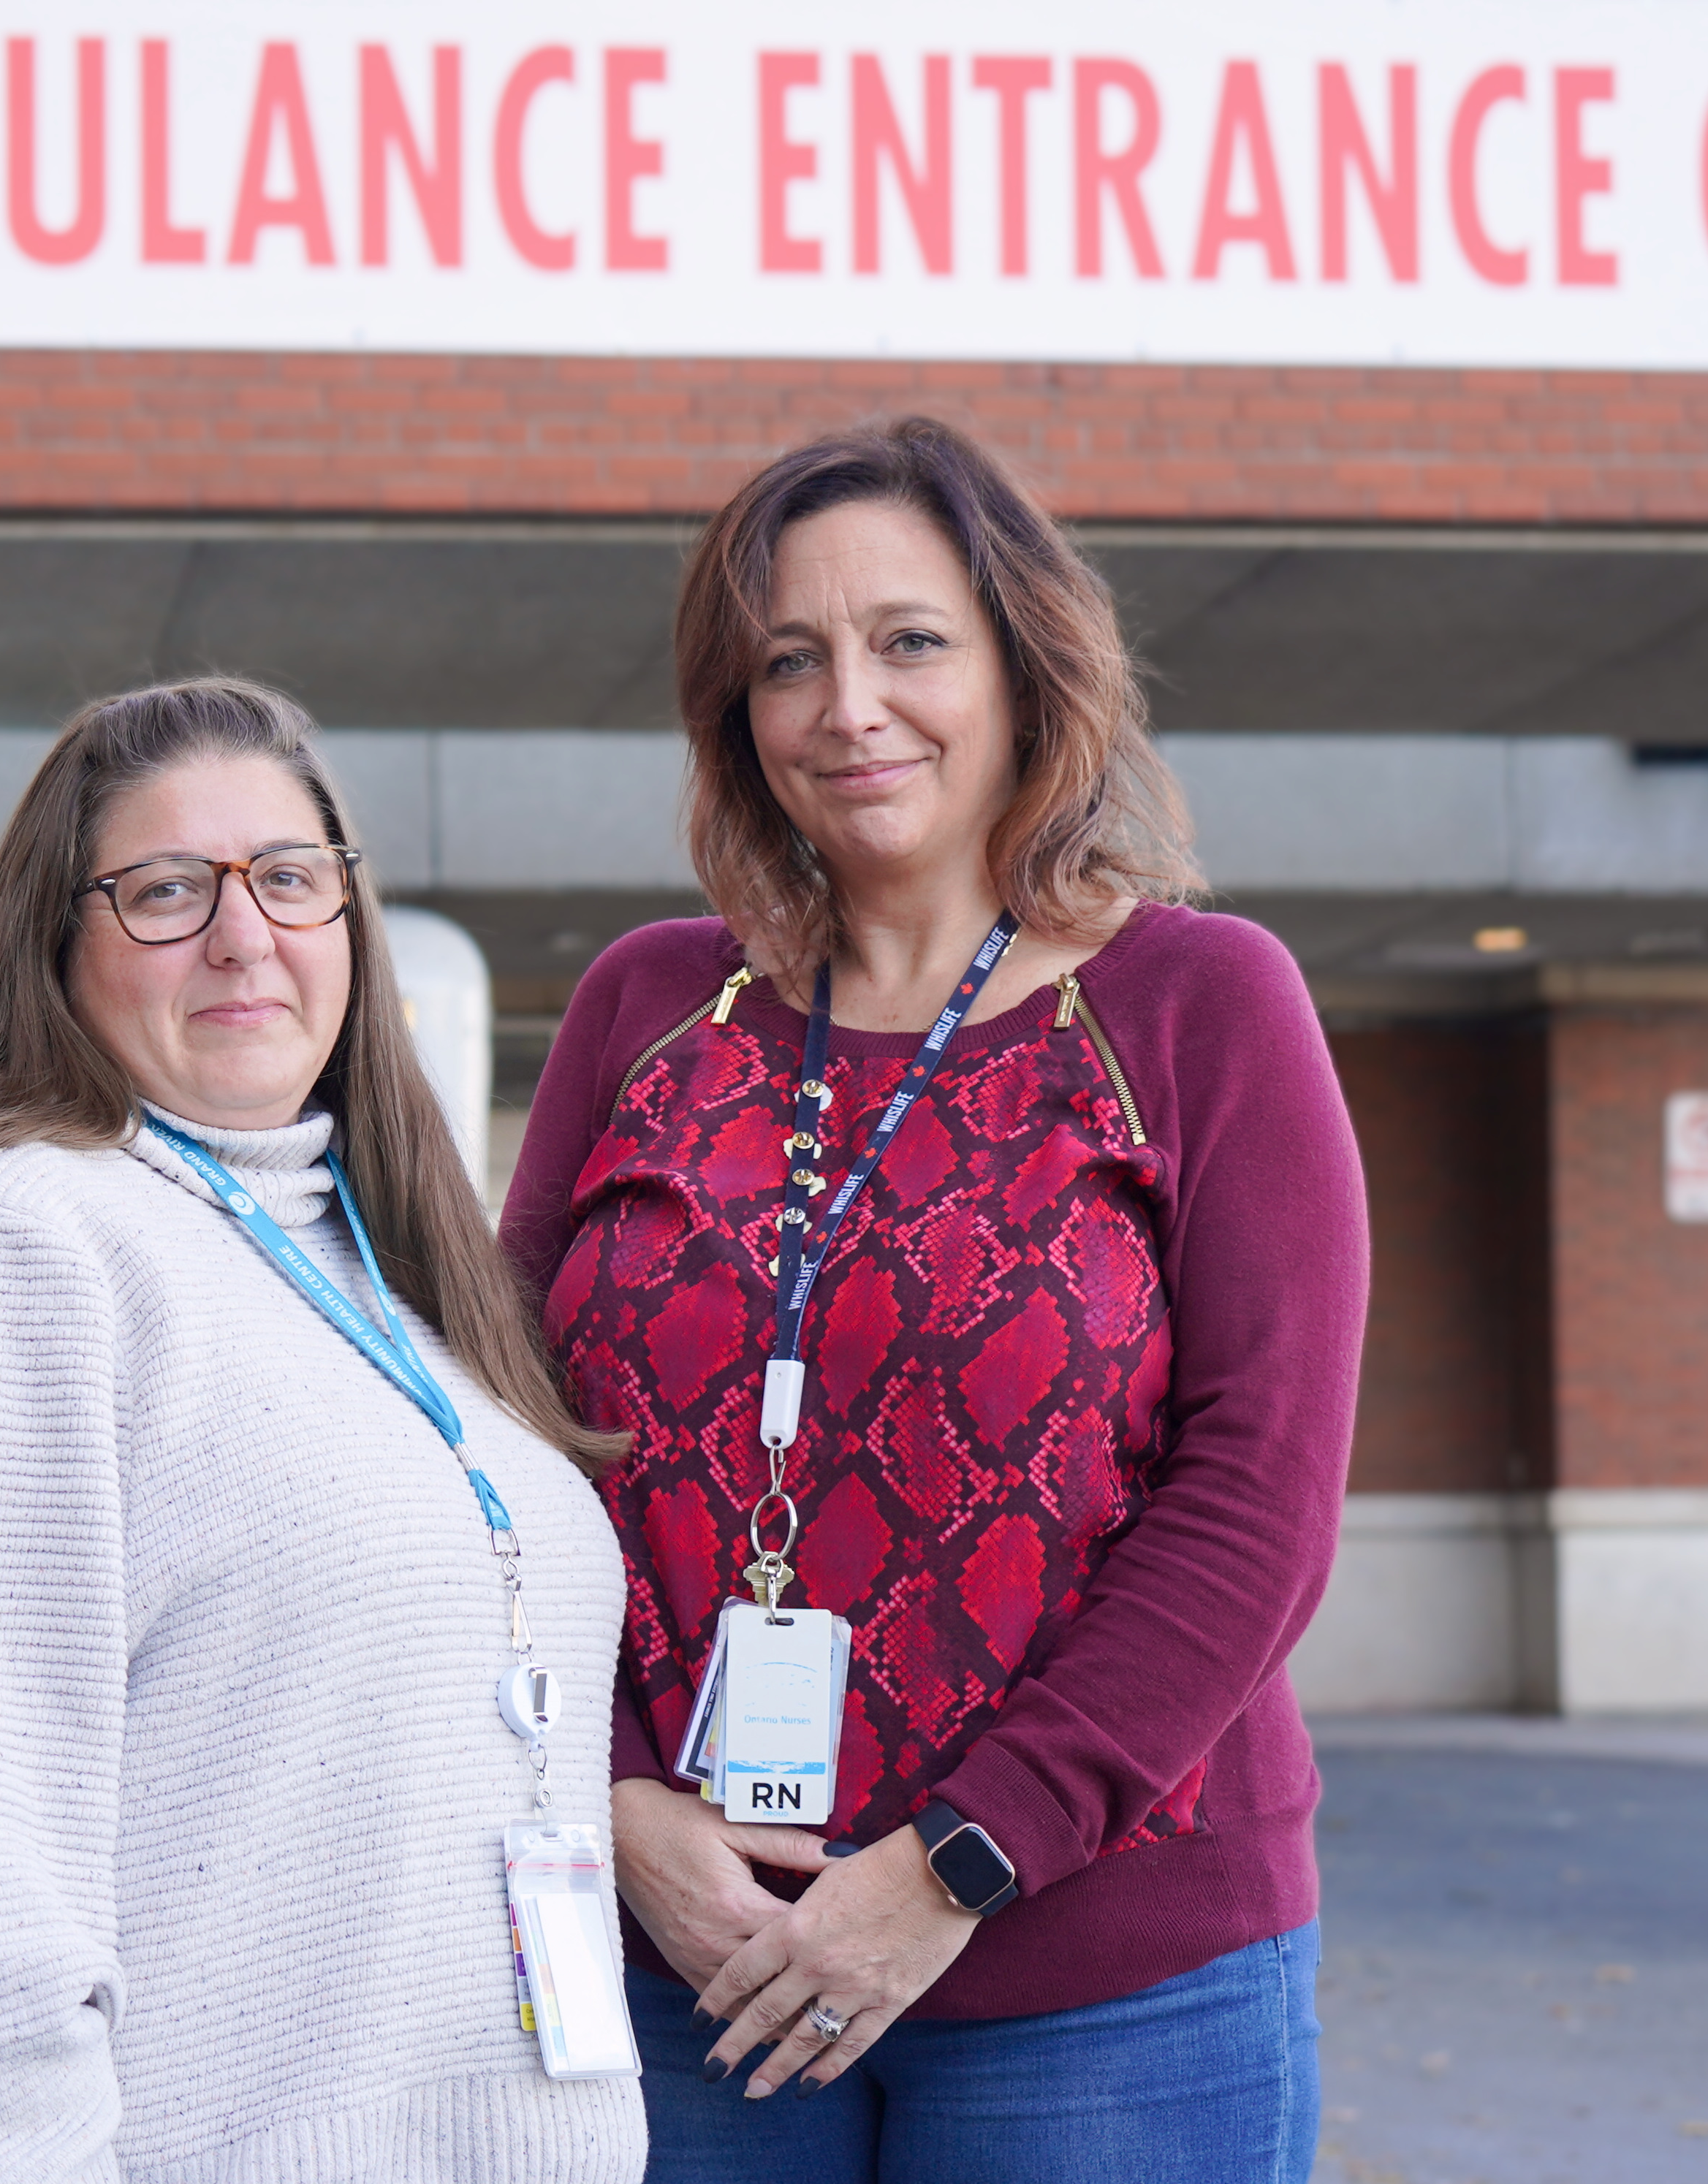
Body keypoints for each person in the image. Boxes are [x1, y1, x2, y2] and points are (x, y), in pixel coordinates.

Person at [501, 417, 1368, 2181]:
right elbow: (500, 1457)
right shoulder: (645, 1006)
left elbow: (1257, 1498)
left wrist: (958, 1862)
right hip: (688, 1959)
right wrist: (603, 1804)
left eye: (908, 641)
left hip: (1105, 1983)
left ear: (1021, 667)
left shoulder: (1204, 1005)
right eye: (787, 662)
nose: (848, 706)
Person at [0, 679, 647, 2183]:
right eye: (165, 891)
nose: (242, 933)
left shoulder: (397, 1272)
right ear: (54, 942)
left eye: (289, 878)